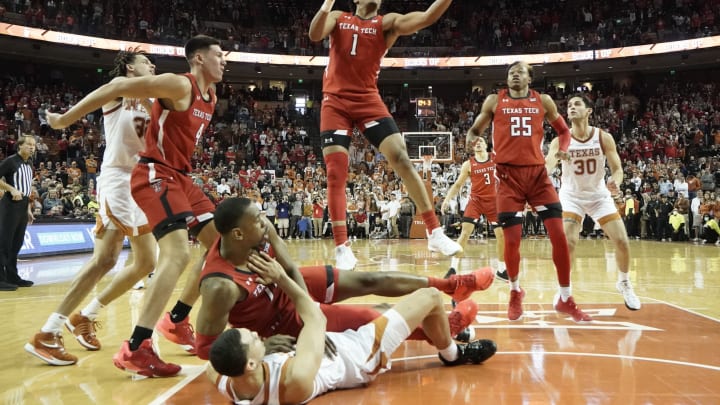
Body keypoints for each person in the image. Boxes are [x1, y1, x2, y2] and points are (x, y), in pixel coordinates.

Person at [47, 35, 226, 377]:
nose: (224, 61)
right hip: (153, 174)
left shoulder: (211, 96)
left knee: (222, 243)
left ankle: (176, 320)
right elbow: (116, 85)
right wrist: (64, 121)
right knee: (170, 255)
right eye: (218, 55)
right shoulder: (178, 83)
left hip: (180, 177)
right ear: (199, 59)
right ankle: (136, 345)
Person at [195, 197, 493, 360]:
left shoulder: (257, 231)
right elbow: (205, 347)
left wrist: (309, 304)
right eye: (258, 222)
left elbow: (290, 268)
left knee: (368, 279)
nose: (266, 223)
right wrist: (260, 347)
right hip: (278, 322)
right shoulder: (220, 285)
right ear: (237, 234)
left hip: (289, 287)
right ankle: (442, 333)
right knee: (376, 314)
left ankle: (451, 285)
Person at [206, 250, 497, 404]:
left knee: (380, 309)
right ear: (251, 363)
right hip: (359, 356)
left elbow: (214, 360)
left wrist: (270, 344)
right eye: (252, 338)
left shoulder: (227, 380)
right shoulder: (294, 380)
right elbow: (314, 318)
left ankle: (449, 329)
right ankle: (452, 355)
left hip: (334, 346)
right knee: (430, 298)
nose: (257, 334)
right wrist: (282, 277)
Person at [25, 50, 162, 366]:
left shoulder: (153, 99)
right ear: (130, 68)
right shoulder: (120, 88)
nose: (152, 65)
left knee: (129, 260)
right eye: (145, 62)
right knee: (116, 260)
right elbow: (90, 101)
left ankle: (82, 316)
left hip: (139, 180)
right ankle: (52, 329)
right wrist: (62, 121)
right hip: (118, 178)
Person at [308, 0, 461, 270]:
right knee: (336, 171)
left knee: (401, 156)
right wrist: (327, 3)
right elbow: (314, 34)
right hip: (335, 102)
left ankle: (435, 232)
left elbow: (426, 17)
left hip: (368, 99)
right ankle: (342, 247)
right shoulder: (337, 16)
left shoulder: (386, 23)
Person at [466, 61, 591, 322]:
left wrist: (563, 148)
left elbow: (564, 131)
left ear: (529, 78)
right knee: (512, 241)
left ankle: (566, 298)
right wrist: (471, 137)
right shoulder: (493, 100)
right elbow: (476, 129)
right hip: (508, 178)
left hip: (537, 176)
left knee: (559, 235)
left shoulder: (543, 101)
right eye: (511, 72)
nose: (514, 75)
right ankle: (515, 291)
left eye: (519, 72)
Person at [545, 94, 641, 311]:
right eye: (569, 105)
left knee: (622, 242)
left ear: (589, 111)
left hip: (598, 195)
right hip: (571, 196)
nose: (571, 107)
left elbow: (617, 170)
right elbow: (548, 166)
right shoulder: (560, 140)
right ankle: (564, 290)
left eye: (577, 104)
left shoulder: (603, 137)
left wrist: (615, 182)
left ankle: (624, 282)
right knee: (568, 242)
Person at [441, 137, 506, 279]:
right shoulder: (468, 164)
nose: (477, 144)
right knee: (464, 234)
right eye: (474, 143)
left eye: (480, 141)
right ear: (472, 148)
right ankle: (453, 268)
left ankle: (502, 270)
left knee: (501, 235)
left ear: (485, 144)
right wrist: (447, 199)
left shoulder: (496, 159)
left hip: (494, 202)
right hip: (476, 201)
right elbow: (458, 184)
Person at [0, 134, 36, 291]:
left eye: (33, 145)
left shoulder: (29, 163)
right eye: (28, 144)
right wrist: (11, 188)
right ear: (19, 146)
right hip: (10, 206)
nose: (32, 147)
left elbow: (27, 188)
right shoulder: (10, 161)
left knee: (16, 243)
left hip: (22, 207)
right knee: (4, 243)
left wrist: (28, 209)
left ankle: (12, 276)